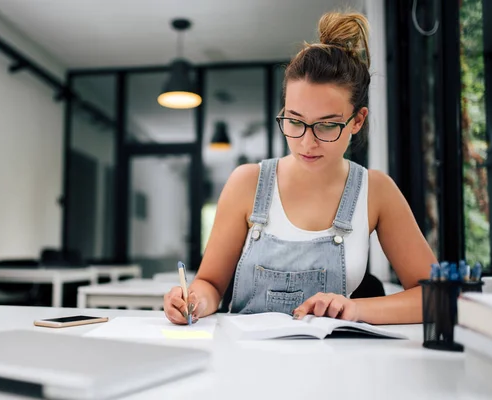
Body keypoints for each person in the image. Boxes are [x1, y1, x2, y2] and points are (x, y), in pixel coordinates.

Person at [164, 11, 436, 325]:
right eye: (295, 121)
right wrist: (193, 300)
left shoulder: (376, 191)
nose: (307, 143)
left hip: (331, 365)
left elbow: (433, 294)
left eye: (326, 126)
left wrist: (356, 309)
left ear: (357, 121)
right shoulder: (247, 183)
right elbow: (210, 285)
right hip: (247, 363)